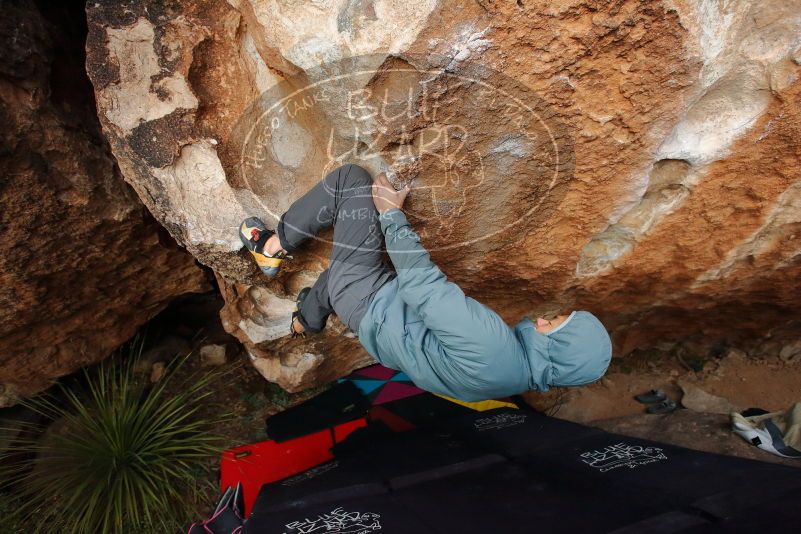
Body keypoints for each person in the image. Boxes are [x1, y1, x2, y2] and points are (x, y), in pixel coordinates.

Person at [239, 164, 612, 401]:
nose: (543, 321)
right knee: (343, 270)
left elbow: (423, 288)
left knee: (350, 180)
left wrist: (391, 215)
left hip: (369, 298)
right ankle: (307, 319)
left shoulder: (496, 348)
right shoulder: (511, 381)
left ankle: (270, 247)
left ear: (559, 351)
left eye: (555, 326)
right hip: (373, 320)